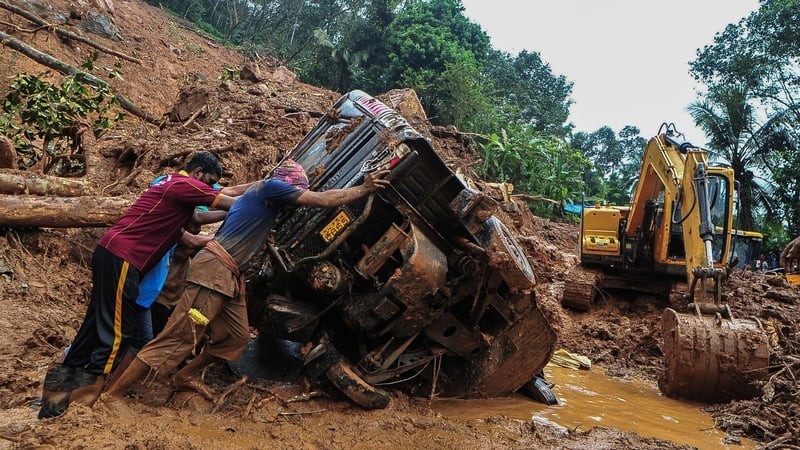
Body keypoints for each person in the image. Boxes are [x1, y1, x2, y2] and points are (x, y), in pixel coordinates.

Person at [100, 159, 390, 410]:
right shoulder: (271, 189)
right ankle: (113, 395)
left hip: (229, 277)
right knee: (177, 338)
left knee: (236, 338)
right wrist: (364, 189)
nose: (295, 196)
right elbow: (322, 199)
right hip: (214, 271)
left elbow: (232, 193)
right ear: (286, 186)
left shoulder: (262, 193)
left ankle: (183, 376)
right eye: (295, 190)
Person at [38, 151, 253, 419]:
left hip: (112, 251)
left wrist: (261, 186)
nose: (209, 188)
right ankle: (82, 407)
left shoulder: (173, 184)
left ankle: (53, 403)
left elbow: (226, 193)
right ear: (197, 174)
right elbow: (235, 202)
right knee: (116, 333)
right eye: (209, 182)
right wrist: (267, 198)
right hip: (125, 257)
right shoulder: (185, 185)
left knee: (94, 327)